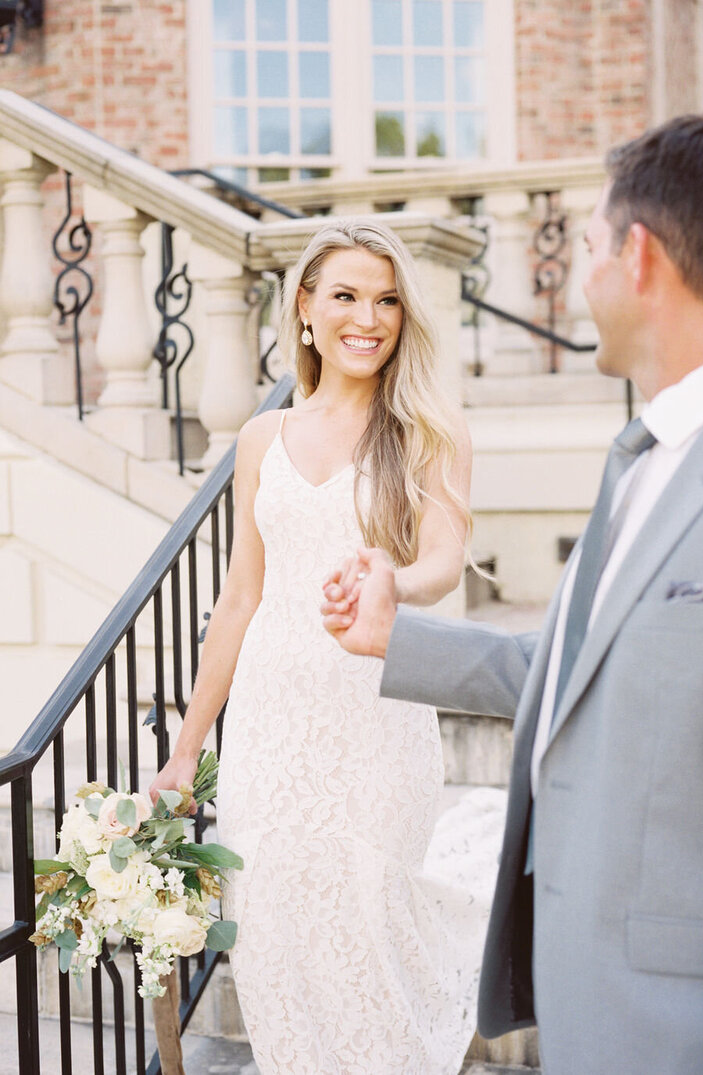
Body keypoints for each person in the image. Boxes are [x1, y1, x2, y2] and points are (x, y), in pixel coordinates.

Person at [322, 114, 703, 1074]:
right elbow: (581, 676)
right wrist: (394, 634)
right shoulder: (641, 462)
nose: (578, 280)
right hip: (589, 1013)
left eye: (586, 247)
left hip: (687, 1040)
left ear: (640, 257)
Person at [150, 218, 505, 1074]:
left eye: (386, 300)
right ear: (304, 307)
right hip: (269, 729)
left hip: (375, 721)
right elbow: (240, 599)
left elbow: (443, 564)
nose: (368, 318)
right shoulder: (261, 440)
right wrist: (187, 747)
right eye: (345, 295)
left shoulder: (428, 426)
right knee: (272, 945)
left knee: (371, 939)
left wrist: (392, 575)